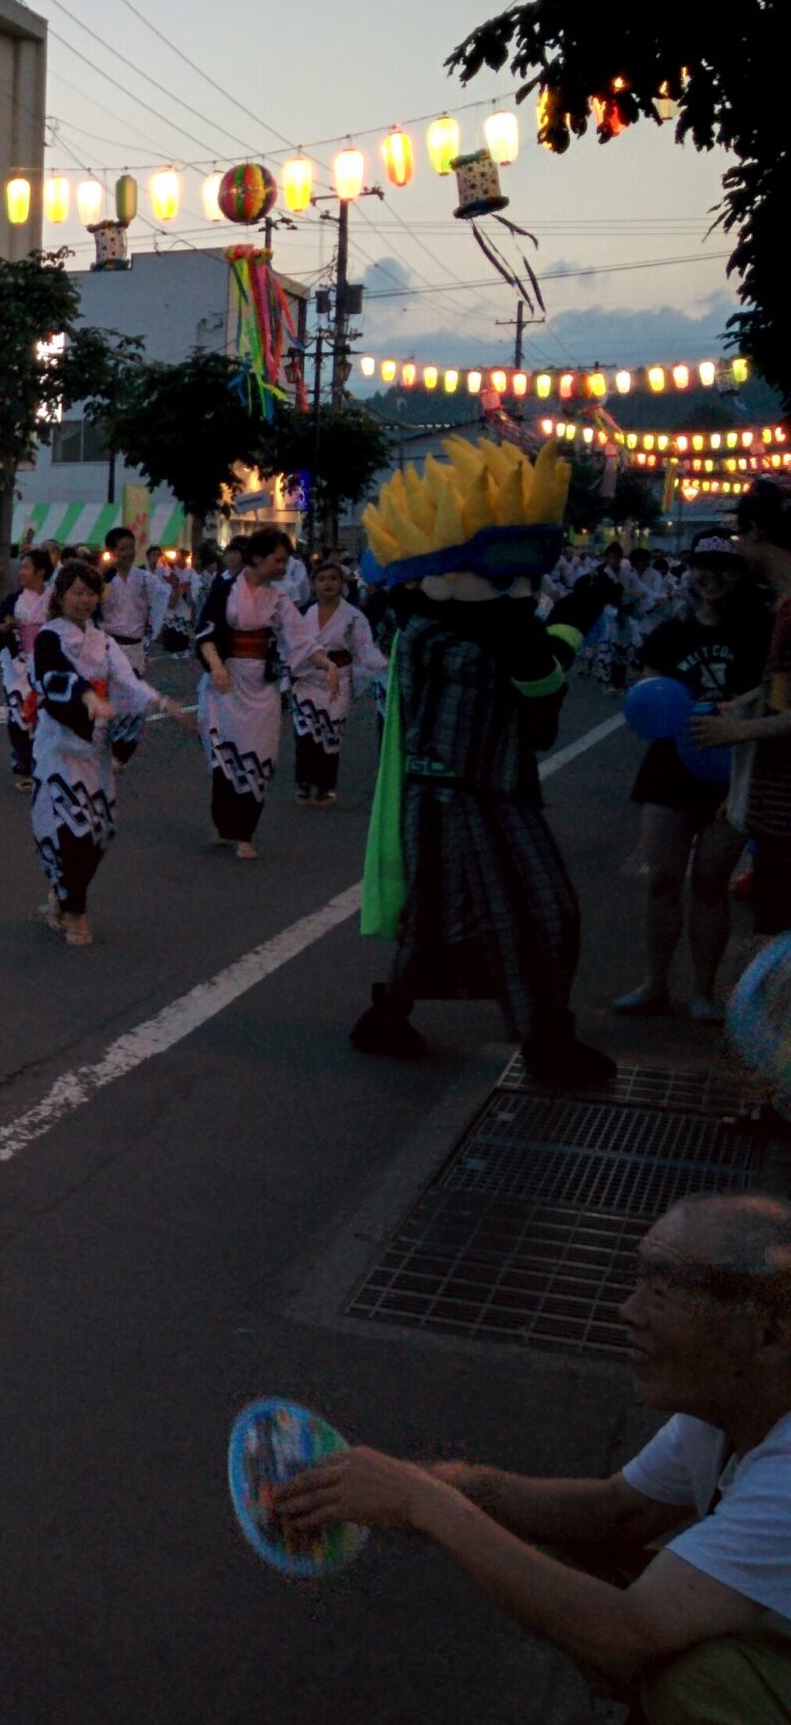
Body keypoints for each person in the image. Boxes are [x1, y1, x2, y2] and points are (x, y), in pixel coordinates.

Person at [276, 1194, 791, 1722]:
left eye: (661, 1295)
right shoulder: (725, 1408)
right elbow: (617, 1512)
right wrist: (443, 1485)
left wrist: (421, 1503)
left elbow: (627, 1633)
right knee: (570, 1558)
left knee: (692, 1676)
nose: (629, 1312)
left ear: (768, 1334)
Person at [349, 439, 617, 1087]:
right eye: (498, 576)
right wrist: (573, 621)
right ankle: (545, 1041)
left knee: (442, 921)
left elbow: (532, 673)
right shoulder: (432, 637)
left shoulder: (476, 628)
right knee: (533, 914)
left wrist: (559, 626)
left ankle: (390, 1016)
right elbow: (533, 678)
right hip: (459, 800)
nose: (515, 591)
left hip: (483, 795)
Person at [618, 535, 771, 1021]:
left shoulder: (764, 632)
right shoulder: (669, 634)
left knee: (710, 882)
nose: (713, 577)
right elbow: (645, 694)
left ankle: (704, 991)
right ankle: (655, 984)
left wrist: (734, 716)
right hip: (669, 769)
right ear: (691, 571)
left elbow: (773, 695)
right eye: (704, 566)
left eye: (725, 567)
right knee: (662, 880)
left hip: (735, 769)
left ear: (741, 573)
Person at [29, 560, 174, 948]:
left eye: (91, 593)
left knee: (99, 831)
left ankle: (63, 896)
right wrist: (86, 695)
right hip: (59, 745)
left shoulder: (104, 641)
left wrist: (161, 703)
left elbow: (127, 682)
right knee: (72, 831)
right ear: (60, 596)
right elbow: (51, 674)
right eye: (76, 592)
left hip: (94, 748)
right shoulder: (49, 637)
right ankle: (76, 914)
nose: (84, 600)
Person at [691, 482, 791, 953]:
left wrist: (734, 731)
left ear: (756, 531)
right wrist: (748, 702)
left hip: (786, 801)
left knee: (776, 930)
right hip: (772, 800)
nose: (739, 547)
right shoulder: (784, 602)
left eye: (739, 534)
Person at [193, 526, 316, 859]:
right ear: (258, 559)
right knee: (223, 755)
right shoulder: (225, 590)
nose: (282, 567)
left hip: (262, 686)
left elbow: (300, 638)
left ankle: (245, 833)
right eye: (277, 560)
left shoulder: (278, 598)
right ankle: (225, 825)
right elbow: (205, 633)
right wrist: (217, 666)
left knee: (259, 756)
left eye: (285, 562)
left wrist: (325, 663)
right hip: (227, 683)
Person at [290, 558, 387, 807]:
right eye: (322, 579)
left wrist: (388, 667)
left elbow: (365, 650)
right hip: (307, 678)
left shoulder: (354, 616)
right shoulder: (302, 614)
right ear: (313, 585)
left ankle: (325, 787)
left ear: (342, 583)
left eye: (333, 579)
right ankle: (304, 783)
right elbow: (290, 647)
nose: (328, 584)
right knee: (304, 734)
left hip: (338, 681)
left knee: (331, 733)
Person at [96, 526, 169, 771]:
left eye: (130, 548)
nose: (127, 554)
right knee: (107, 697)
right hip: (108, 643)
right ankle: (106, 747)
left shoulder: (144, 579)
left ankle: (122, 751)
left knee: (133, 699)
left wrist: (152, 633)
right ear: (111, 551)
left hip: (134, 646)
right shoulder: (103, 580)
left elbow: (162, 598)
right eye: (121, 549)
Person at [0, 548, 53, 791]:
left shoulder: (55, 599)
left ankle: (42, 767)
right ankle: (27, 765)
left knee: (45, 718)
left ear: (41, 571)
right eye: (21, 567)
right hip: (18, 665)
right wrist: (4, 626)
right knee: (18, 715)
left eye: (26, 567)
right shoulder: (15, 599)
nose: (21, 572)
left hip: (48, 664)